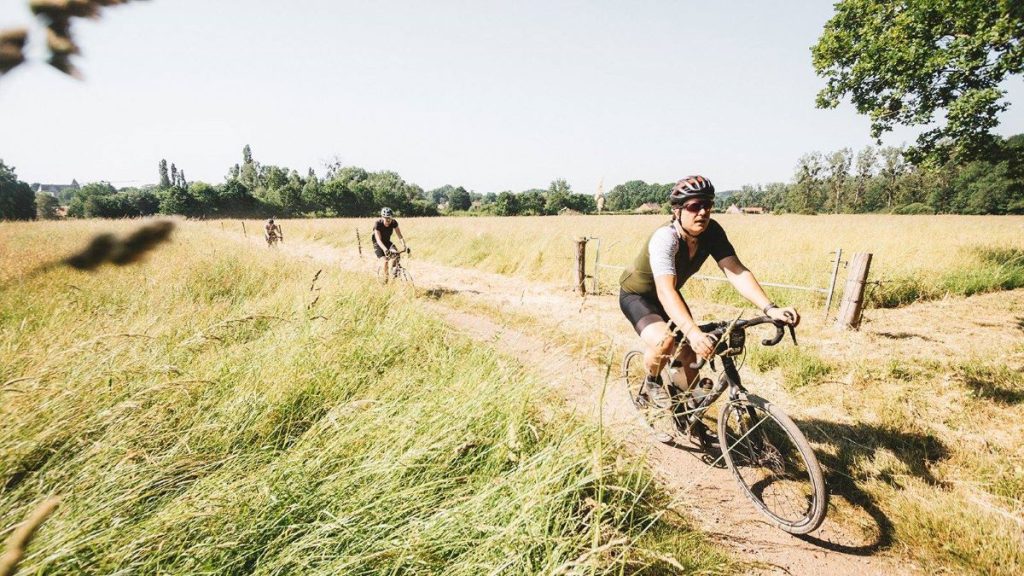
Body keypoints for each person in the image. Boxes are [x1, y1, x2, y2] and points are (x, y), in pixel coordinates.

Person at [618, 175, 799, 411]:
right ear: (677, 211)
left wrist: (770, 308)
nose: (702, 212)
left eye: (707, 205)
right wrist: (692, 332)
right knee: (667, 341)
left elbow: (736, 270)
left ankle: (687, 409)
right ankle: (651, 382)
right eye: (694, 206)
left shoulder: (711, 232)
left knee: (688, 355)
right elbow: (664, 291)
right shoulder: (665, 239)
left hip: (669, 295)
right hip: (638, 296)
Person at [373, 207, 407, 281]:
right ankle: (385, 279)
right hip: (378, 244)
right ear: (382, 217)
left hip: (387, 242)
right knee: (385, 261)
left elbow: (399, 236)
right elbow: (378, 240)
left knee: (396, 254)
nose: (388, 220)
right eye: (386, 218)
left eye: (390, 218)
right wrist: (385, 250)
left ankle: (393, 271)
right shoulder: (378, 224)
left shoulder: (394, 222)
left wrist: (404, 245)